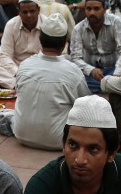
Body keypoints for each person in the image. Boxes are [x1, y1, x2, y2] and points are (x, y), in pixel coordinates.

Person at [12, 14, 90, 150]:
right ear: (65, 42)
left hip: (21, 135)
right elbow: (86, 106)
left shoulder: (24, 65)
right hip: (57, 141)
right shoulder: (73, 72)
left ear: (40, 39)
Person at [69, 0, 121, 94]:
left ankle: (107, 88)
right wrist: (91, 70)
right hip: (91, 74)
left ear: (104, 9)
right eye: (88, 9)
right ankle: (110, 90)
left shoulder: (116, 22)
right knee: (73, 78)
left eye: (96, 9)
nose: (92, 13)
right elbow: (75, 58)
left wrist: (116, 76)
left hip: (114, 70)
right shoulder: (78, 29)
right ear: (84, 9)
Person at [0, 0, 42, 89]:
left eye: (32, 11)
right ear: (19, 11)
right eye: (25, 12)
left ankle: (13, 84)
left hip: (39, 68)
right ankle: (21, 85)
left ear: (38, 10)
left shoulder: (47, 25)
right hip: (16, 66)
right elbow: (5, 54)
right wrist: (17, 72)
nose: (29, 15)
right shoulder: (11, 24)